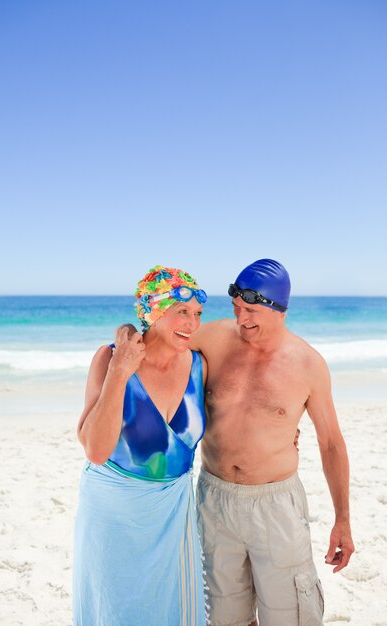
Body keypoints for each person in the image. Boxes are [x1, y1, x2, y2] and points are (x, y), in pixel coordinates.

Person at [190, 258, 355, 626]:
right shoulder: (214, 338)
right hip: (213, 498)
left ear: (279, 309)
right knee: (222, 616)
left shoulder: (308, 364)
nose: (240, 318)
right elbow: (161, 349)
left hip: (275, 505)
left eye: (250, 310)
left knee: (291, 616)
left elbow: (331, 443)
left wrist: (342, 519)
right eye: (236, 308)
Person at [73, 265, 209, 626]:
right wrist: (120, 372)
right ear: (151, 310)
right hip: (113, 512)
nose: (192, 323)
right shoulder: (110, 357)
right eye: (181, 311)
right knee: (116, 610)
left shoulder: (199, 364)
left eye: (197, 313)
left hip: (172, 514)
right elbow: (96, 450)